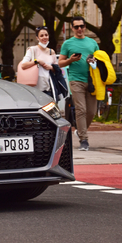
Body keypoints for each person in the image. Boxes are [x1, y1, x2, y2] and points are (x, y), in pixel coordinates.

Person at [58, 16, 99, 151]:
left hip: (91, 80)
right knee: (81, 110)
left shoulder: (92, 43)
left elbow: (99, 61)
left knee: (92, 111)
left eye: (81, 26)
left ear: (85, 27)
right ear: (72, 28)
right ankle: (84, 140)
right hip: (76, 80)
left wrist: (93, 61)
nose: (79, 29)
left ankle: (80, 131)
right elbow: (60, 63)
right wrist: (70, 60)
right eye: (76, 27)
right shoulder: (68, 44)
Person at [19, 26, 57, 97]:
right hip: (35, 89)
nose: (44, 37)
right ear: (37, 38)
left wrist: (51, 67)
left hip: (49, 88)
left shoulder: (51, 52)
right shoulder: (32, 50)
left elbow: (57, 69)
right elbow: (23, 65)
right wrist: (37, 61)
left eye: (46, 35)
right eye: (41, 36)